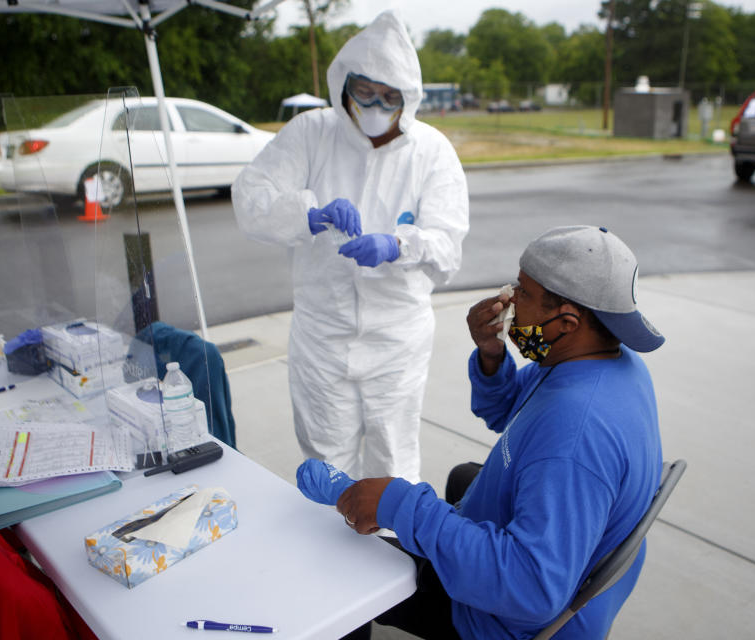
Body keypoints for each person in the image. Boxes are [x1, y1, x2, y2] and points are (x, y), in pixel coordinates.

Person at [297, 225, 666, 639]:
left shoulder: (575, 434)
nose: (507, 299)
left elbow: (530, 589)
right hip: (571, 558)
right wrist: (492, 354)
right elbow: (512, 413)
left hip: (506, 617)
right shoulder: (601, 362)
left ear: (566, 322)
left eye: (522, 293)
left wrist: (399, 504)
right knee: (462, 478)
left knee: (346, 565)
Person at [231, 10, 469, 483]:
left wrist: (398, 245)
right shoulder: (311, 133)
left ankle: (390, 552)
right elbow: (250, 198)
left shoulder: (431, 151)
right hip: (323, 333)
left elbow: (448, 246)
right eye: (365, 91)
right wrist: (309, 215)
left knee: (392, 462)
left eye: (389, 96)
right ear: (344, 85)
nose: (376, 104)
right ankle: (331, 549)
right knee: (325, 462)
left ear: (408, 99)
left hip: (396, 339)